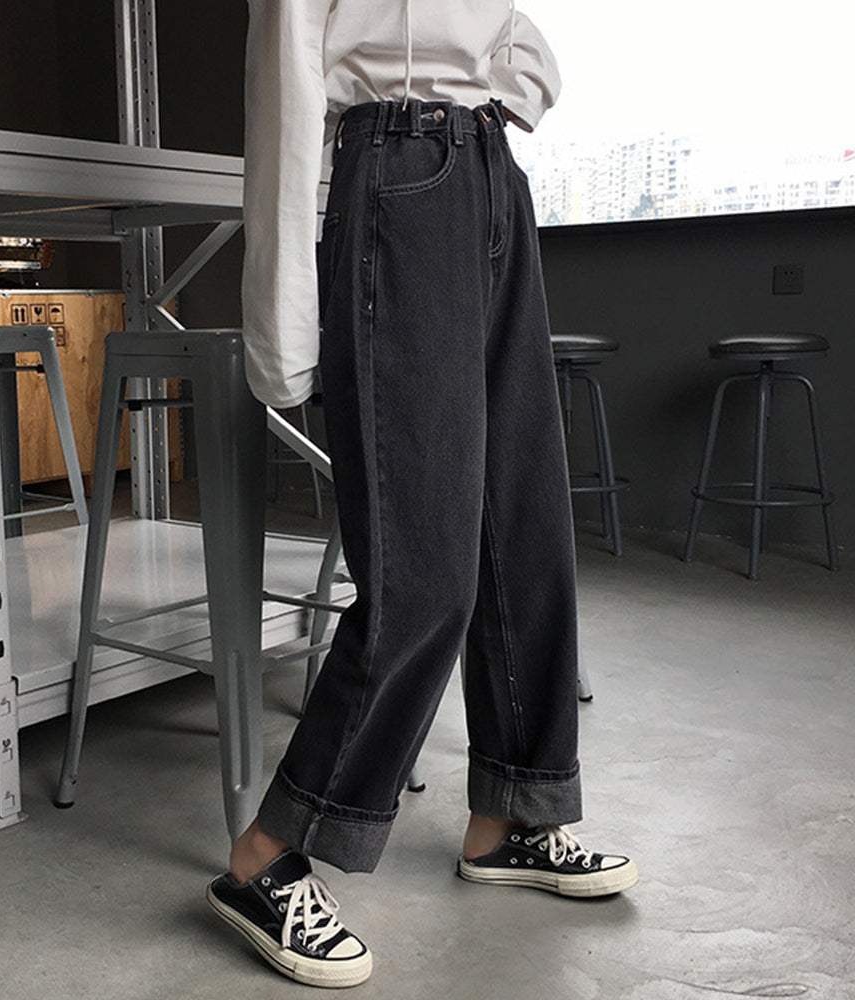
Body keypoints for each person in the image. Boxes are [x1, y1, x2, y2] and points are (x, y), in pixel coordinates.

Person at [206, 0, 637, 987]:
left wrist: (509, 94)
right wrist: (282, 333)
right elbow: (285, 90)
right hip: (396, 172)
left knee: (523, 534)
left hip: (489, 172)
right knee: (425, 570)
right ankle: (264, 857)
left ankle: (511, 815)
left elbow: (507, 32)